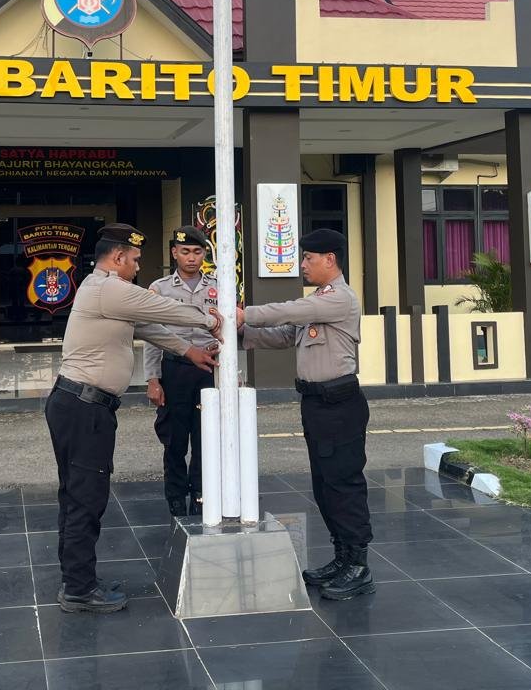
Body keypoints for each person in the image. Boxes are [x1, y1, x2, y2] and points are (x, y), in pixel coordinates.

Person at [46, 222, 222, 613]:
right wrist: (211, 320)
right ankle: (78, 590)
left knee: (78, 494)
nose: (138, 267)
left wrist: (190, 352)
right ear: (118, 256)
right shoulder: (108, 288)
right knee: (85, 497)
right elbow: (163, 309)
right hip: (83, 407)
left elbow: (147, 327)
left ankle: (78, 578)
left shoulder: (107, 291)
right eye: (136, 259)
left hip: (81, 405)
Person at [236, 227, 374, 600]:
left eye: (308, 258)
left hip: (339, 403)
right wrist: (241, 332)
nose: (303, 265)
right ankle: (342, 558)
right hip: (316, 403)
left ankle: (358, 565)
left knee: (343, 484)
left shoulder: (339, 298)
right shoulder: (317, 302)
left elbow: (290, 311)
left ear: (330, 259)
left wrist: (245, 313)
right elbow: (285, 334)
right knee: (324, 485)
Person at [144, 226, 219, 517]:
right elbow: (152, 336)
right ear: (174, 252)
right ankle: (175, 496)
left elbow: (228, 329)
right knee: (174, 440)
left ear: (204, 254)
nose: (191, 257)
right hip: (174, 370)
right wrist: (153, 380)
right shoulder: (160, 288)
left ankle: (201, 493)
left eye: (197, 252)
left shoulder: (218, 286)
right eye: (185, 251)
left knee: (205, 437)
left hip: (208, 370)